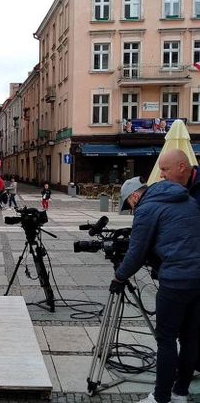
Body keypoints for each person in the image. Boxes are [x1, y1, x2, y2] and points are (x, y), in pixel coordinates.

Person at [112, 177, 200, 403]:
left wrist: (120, 276)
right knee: (191, 338)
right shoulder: (187, 199)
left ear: (134, 196)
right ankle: (180, 393)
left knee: (167, 340)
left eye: (129, 206)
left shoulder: (147, 207)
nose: (132, 210)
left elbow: (136, 252)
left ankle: (161, 398)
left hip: (176, 280)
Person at [158, 148, 200, 373]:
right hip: (190, 271)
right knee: (190, 333)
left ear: (182, 167)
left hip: (185, 275)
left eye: (164, 169)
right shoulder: (179, 191)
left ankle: (164, 393)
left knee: (170, 335)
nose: (161, 175)